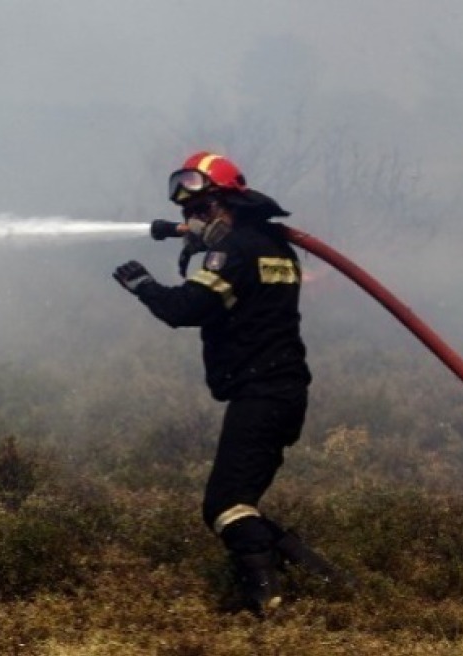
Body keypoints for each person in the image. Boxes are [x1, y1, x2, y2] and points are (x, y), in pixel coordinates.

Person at [111, 151, 341, 614]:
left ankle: (267, 601)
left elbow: (186, 310)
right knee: (239, 502)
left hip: (263, 392)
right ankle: (334, 583)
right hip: (280, 391)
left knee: (224, 505)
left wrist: (142, 286)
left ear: (230, 203)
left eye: (203, 209)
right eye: (187, 214)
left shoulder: (233, 250)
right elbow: (231, 285)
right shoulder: (271, 245)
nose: (193, 219)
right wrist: (194, 245)